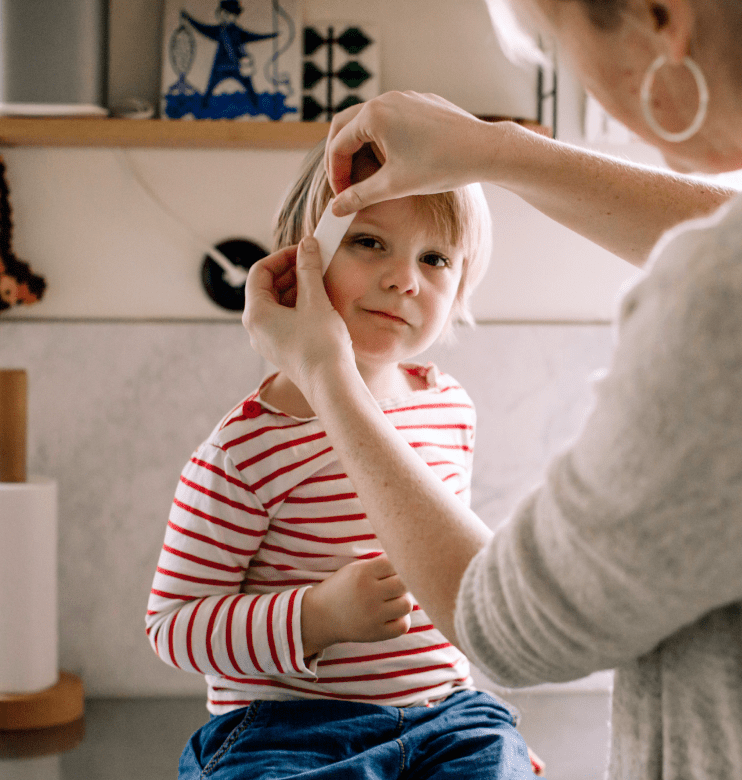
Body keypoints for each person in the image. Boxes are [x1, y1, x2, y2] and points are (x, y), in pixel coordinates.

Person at [241, 0, 742, 778]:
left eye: (557, 49)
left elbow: (509, 628)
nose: (404, 278)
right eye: (370, 244)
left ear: (660, 19)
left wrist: (328, 378)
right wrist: (504, 152)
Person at [145, 141, 544, 778]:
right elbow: (172, 626)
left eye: (435, 257)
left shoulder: (449, 409)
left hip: (444, 715)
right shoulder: (245, 450)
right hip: (287, 728)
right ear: (297, 258)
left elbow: (450, 585)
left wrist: (487, 739)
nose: (405, 279)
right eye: (368, 242)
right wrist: (319, 616)